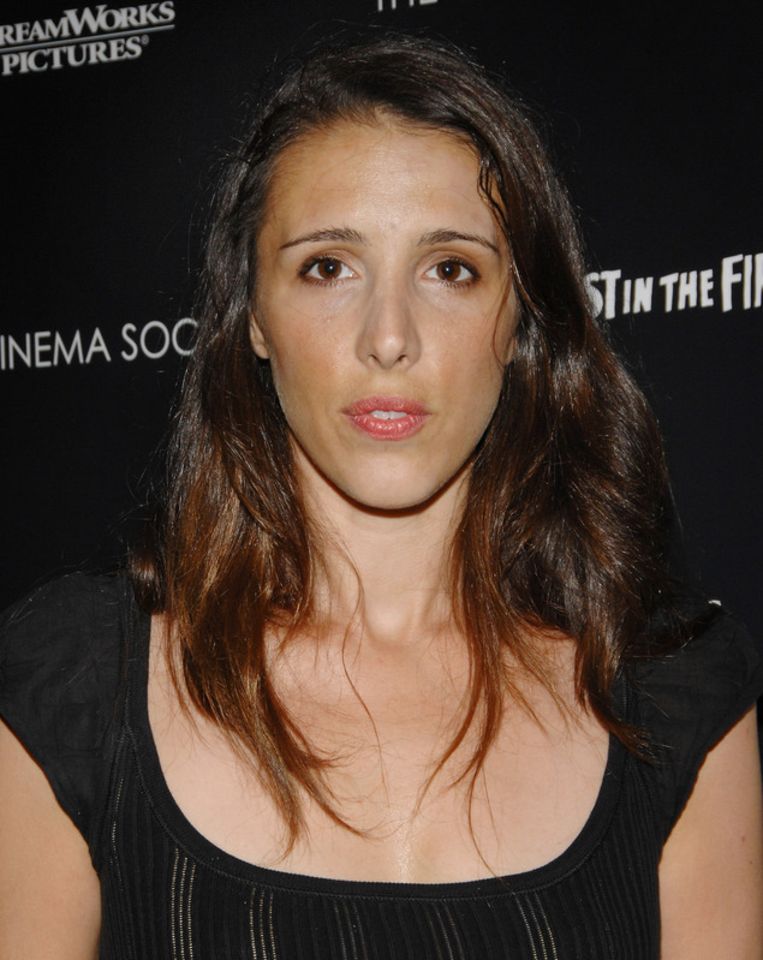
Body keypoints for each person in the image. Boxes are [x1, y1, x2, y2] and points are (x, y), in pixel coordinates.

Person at [1, 33, 761, 960]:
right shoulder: (78, 682)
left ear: (520, 319)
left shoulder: (673, 686)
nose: (388, 336)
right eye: (328, 266)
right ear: (254, 318)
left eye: (451, 269)